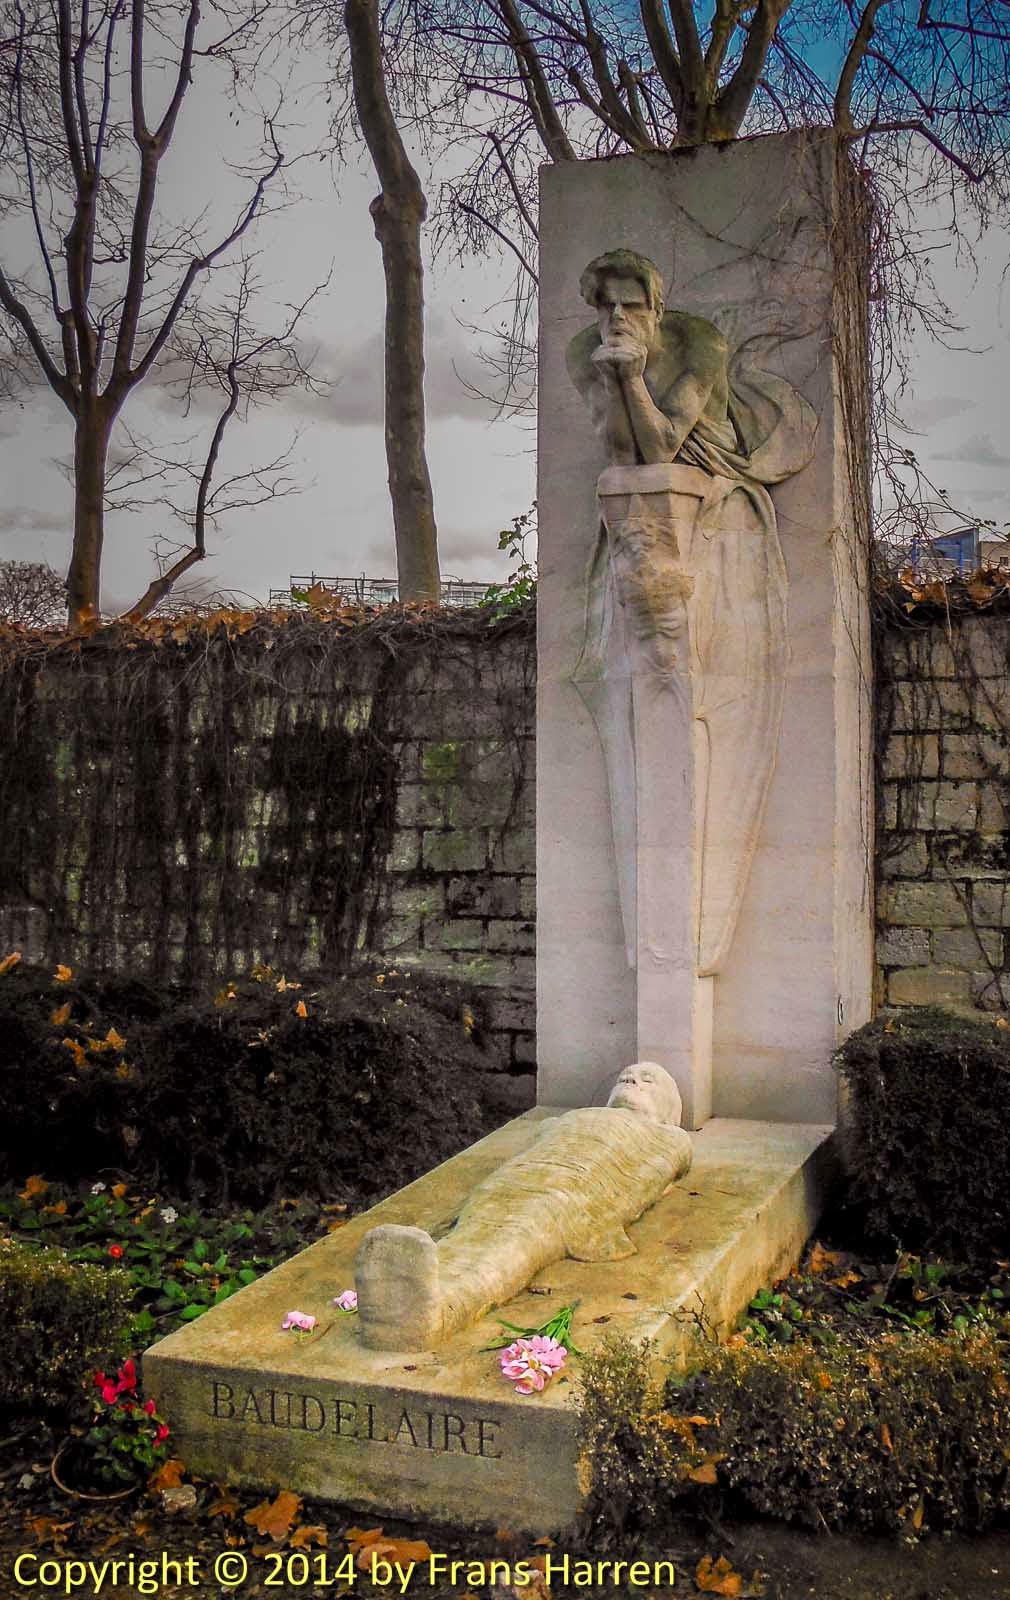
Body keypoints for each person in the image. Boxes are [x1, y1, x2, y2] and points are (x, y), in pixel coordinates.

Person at [566, 249, 816, 978]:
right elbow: (625, 451)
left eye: (630, 304)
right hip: (647, 510)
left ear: (655, 303)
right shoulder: (590, 351)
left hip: (713, 500)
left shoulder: (700, 341)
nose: (617, 317)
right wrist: (617, 374)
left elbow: (667, 441)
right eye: (606, 304)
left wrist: (633, 376)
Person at [354, 1062, 692, 1351]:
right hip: (517, 1179)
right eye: (625, 1077)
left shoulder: (670, 1137)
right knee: (475, 1227)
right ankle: (408, 1290)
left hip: (574, 1191)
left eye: (648, 1080)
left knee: (518, 1238)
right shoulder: (567, 1119)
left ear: (668, 1108)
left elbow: (651, 1177)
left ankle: (441, 1312)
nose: (632, 1081)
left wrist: (605, 1216)